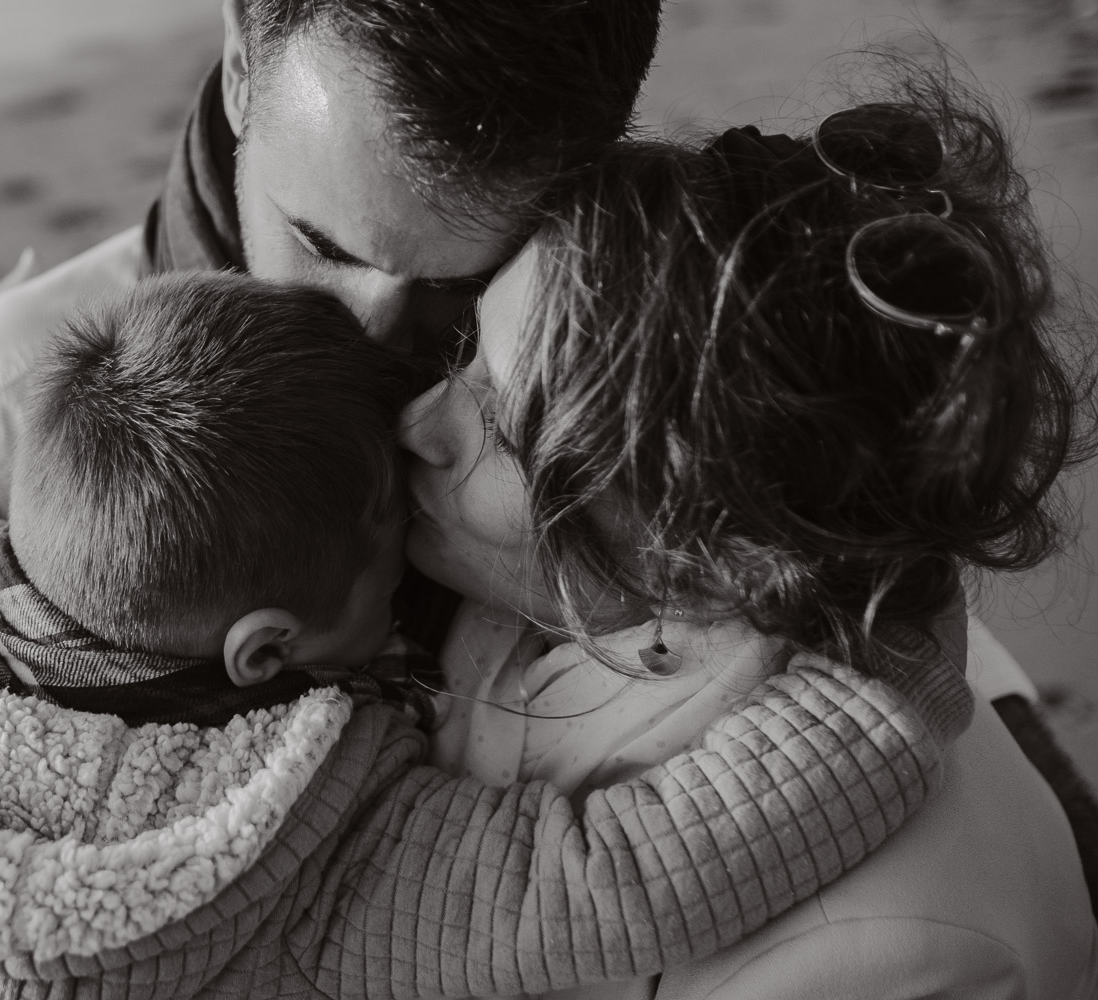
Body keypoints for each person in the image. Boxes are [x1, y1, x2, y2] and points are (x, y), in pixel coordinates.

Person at [0, 268, 965, 999]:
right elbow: (614, 875)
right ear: (265, 652)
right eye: (390, 552)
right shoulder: (275, 848)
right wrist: (881, 686)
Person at [0, 0, 666, 896]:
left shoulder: (640, 412)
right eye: (320, 242)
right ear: (243, 60)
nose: (368, 332)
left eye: (461, 283)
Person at [397, 89, 1098, 995]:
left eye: (504, 426)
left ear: (715, 553)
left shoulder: (889, 954)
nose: (417, 420)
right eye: (466, 356)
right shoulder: (553, 605)